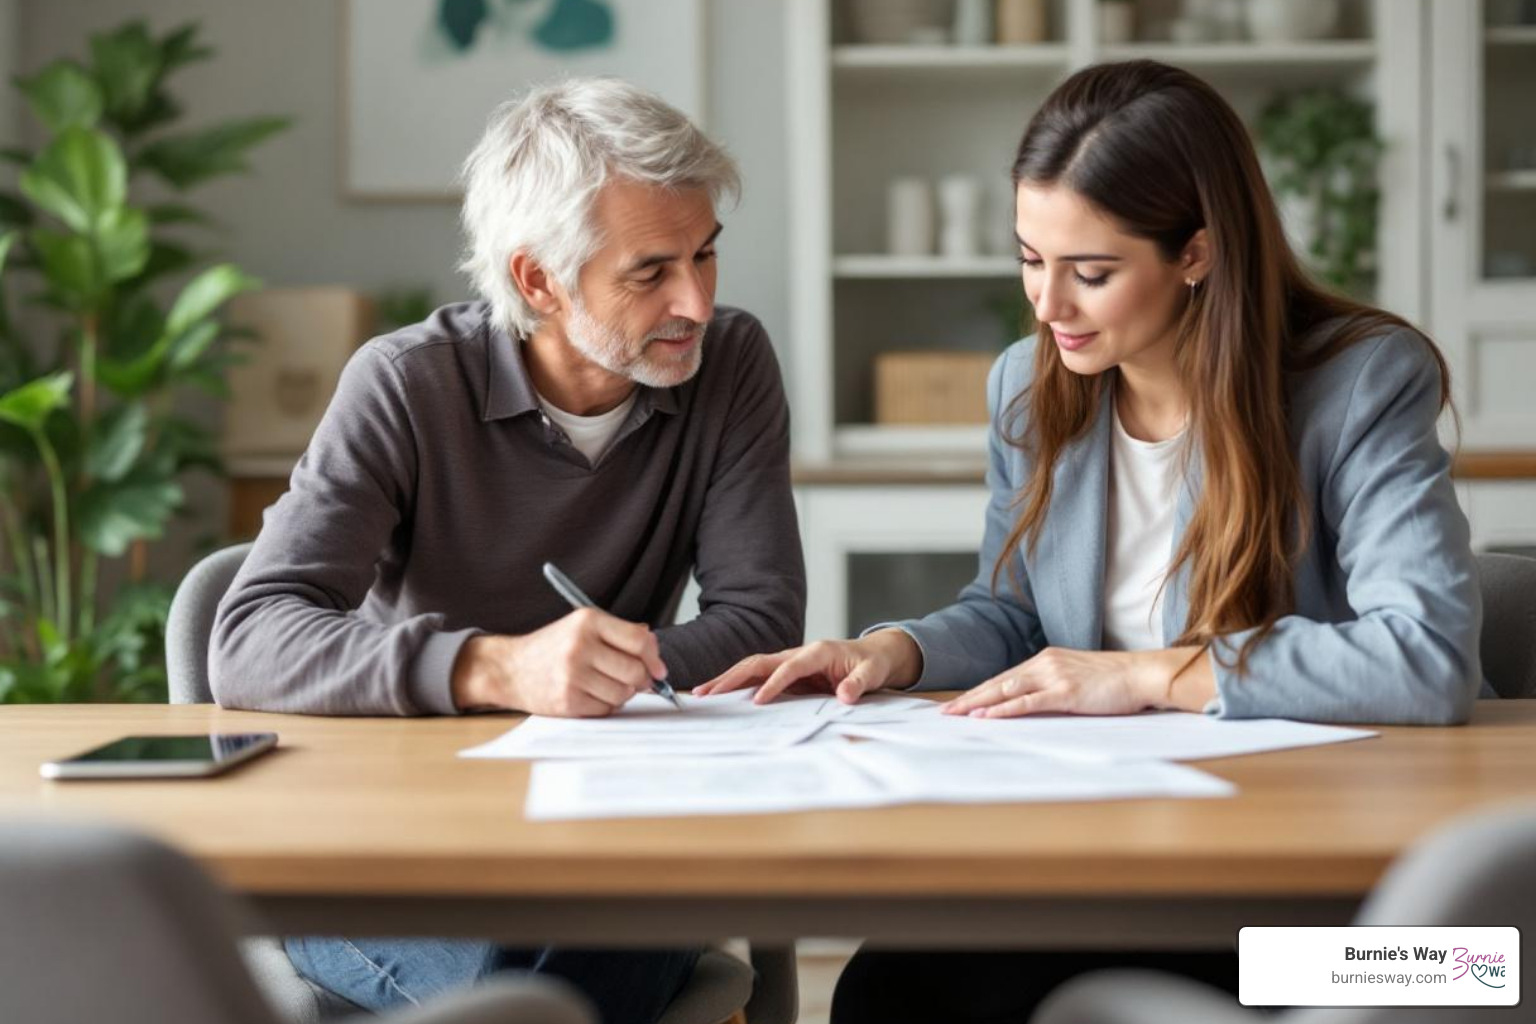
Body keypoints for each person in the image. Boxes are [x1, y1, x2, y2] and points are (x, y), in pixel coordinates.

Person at [695, 60, 1484, 1022]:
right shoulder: (1028, 390)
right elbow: (1017, 613)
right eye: (1031, 258)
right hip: (1129, 857)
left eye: (1092, 272)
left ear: (1197, 253)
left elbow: (1428, 657)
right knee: (889, 990)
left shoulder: (1359, 382)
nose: (1047, 305)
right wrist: (889, 651)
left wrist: (1152, 673)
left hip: (1361, 928)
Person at [210, 78, 805, 1024]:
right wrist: (500, 667)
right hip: (395, 840)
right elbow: (249, 637)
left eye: (706, 254)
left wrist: (598, 677)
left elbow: (761, 622)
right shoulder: (406, 384)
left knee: (559, 968)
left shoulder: (729, 365)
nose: (696, 298)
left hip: (614, 827)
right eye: (651, 272)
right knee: (527, 983)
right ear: (539, 281)